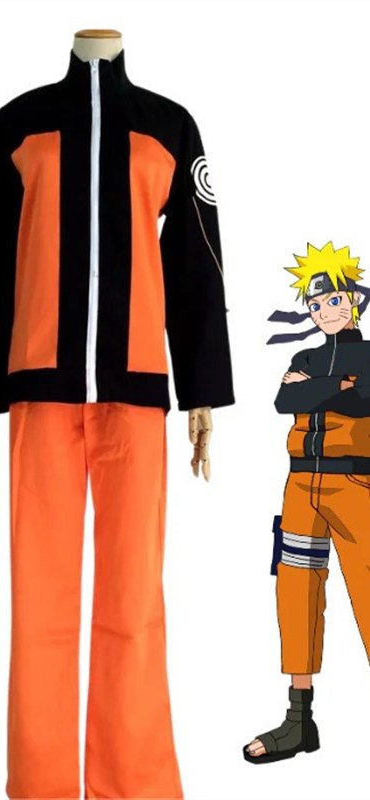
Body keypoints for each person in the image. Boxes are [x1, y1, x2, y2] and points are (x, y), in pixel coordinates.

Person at [243, 241, 370, 764]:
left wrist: (324, 387)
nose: (324, 311)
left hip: (357, 487)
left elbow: (362, 399)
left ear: (354, 300)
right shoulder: (305, 358)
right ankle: (299, 721)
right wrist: (337, 385)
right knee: (296, 596)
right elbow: (285, 400)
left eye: (334, 300)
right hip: (299, 488)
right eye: (316, 304)